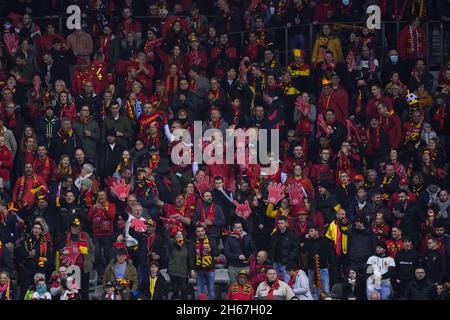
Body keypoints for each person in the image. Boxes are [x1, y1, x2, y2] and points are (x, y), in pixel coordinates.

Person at [190, 225, 219, 300]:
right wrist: (192, 269)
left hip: (210, 269)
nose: (200, 233)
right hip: (199, 270)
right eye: (198, 231)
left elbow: (217, 253)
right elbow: (191, 257)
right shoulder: (193, 242)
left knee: (211, 290)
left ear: (205, 231)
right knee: (200, 291)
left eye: (202, 231)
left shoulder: (211, 240)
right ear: (196, 233)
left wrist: (211, 250)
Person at [268, 216, 299, 282]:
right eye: (279, 223)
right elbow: (270, 247)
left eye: (282, 223)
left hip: (286, 263)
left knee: (287, 281)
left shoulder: (291, 234)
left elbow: (296, 248)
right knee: (275, 281)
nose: (280, 225)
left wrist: (290, 258)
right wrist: (271, 257)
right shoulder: (274, 234)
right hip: (275, 261)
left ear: (286, 223)